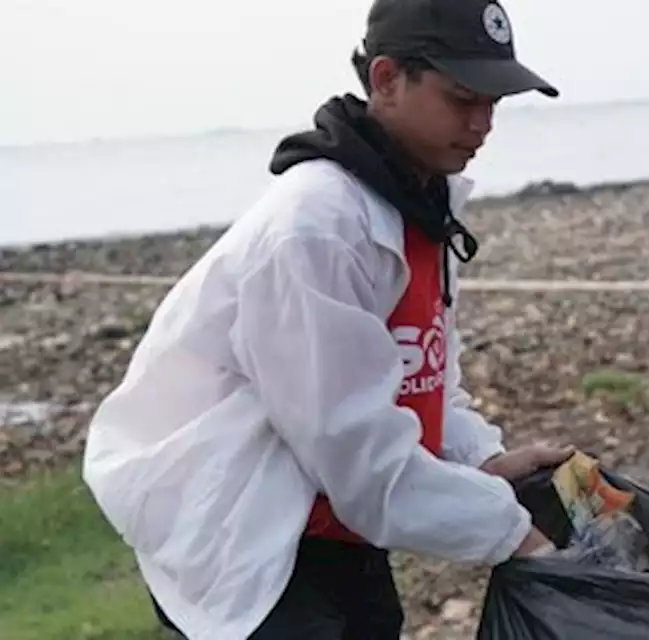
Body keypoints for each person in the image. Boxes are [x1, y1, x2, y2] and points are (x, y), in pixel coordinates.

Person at [80, 0, 573, 638]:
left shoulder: (419, 205)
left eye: (494, 104)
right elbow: (359, 456)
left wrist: (479, 457)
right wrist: (522, 538)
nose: (483, 124)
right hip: (246, 532)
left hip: (337, 522)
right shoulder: (316, 228)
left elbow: (417, 376)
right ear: (387, 79)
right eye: (462, 99)